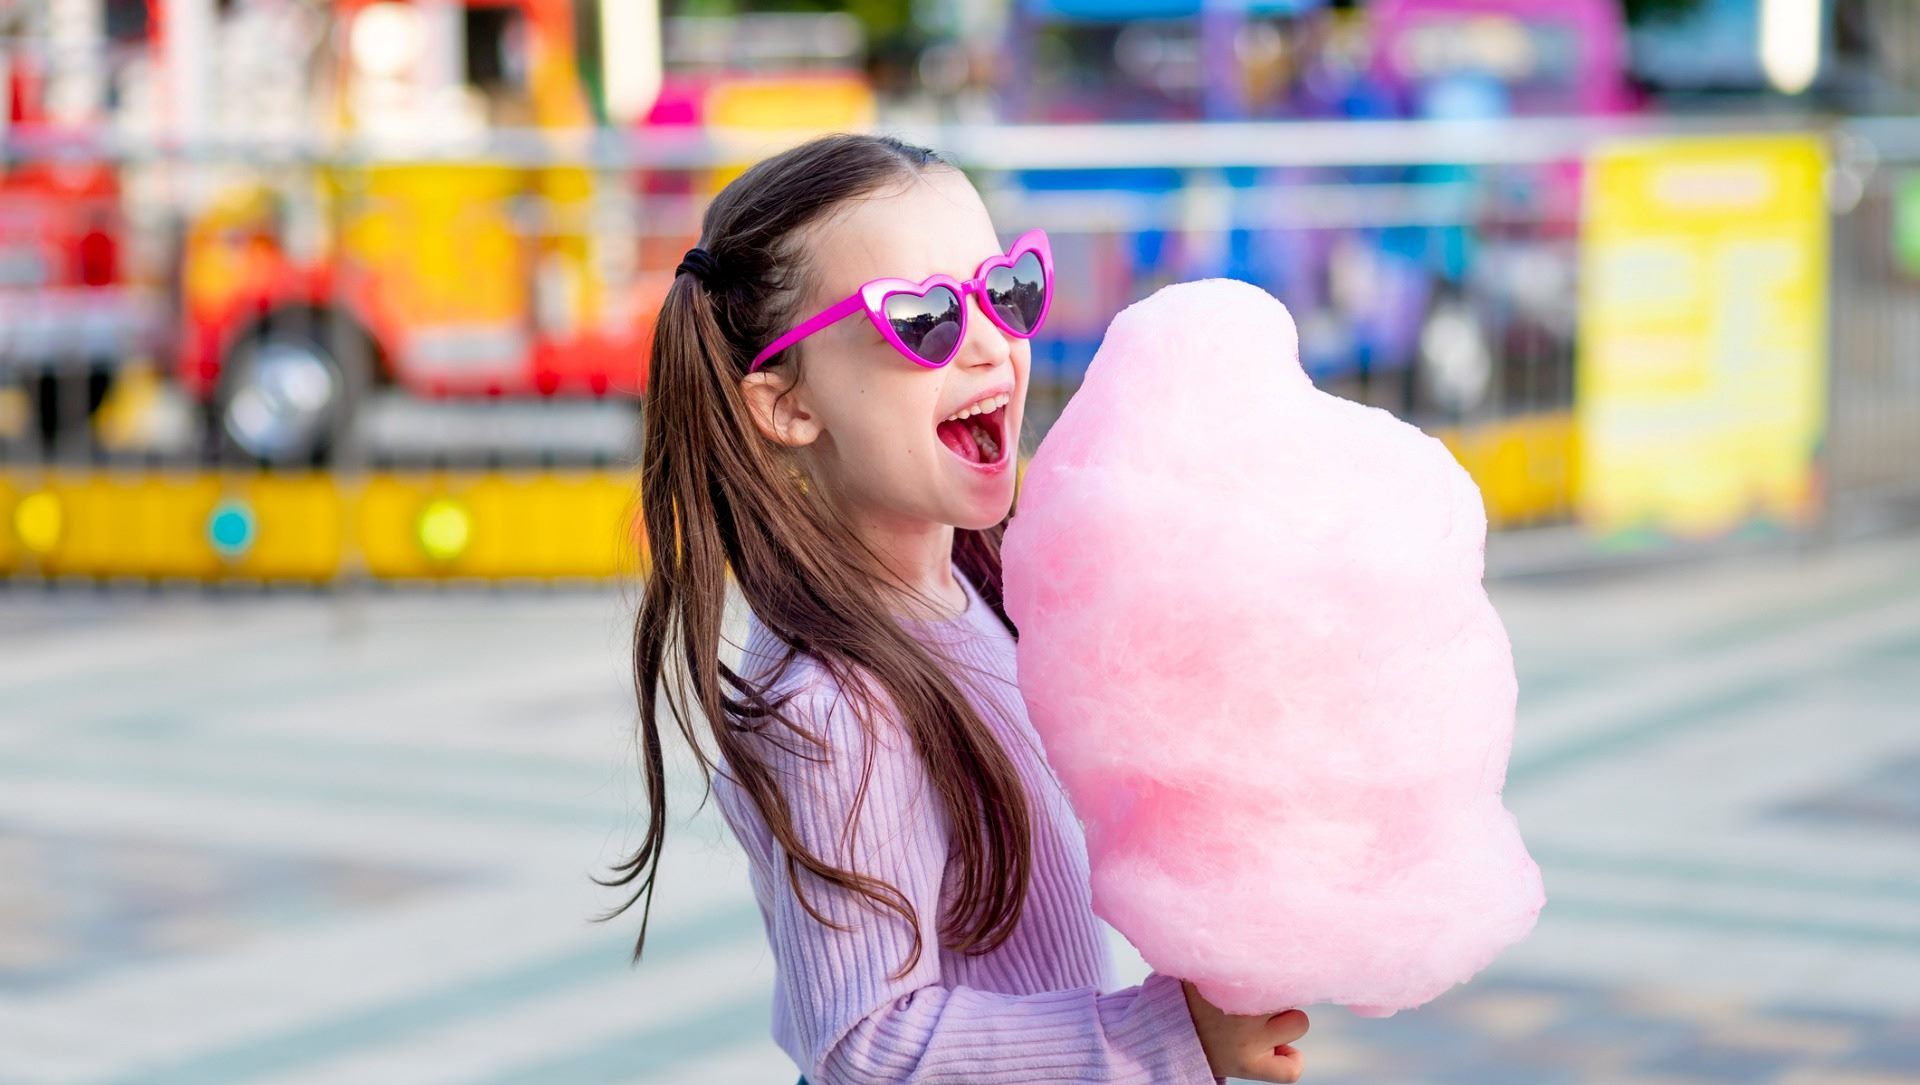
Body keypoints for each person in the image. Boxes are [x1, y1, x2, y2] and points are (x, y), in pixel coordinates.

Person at [602, 132, 1310, 1085]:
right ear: (785, 403)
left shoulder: (979, 586)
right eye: (925, 316)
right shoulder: (833, 711)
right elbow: (867, 1047)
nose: (987, 341)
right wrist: (1162, 1037)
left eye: (1005, 291)